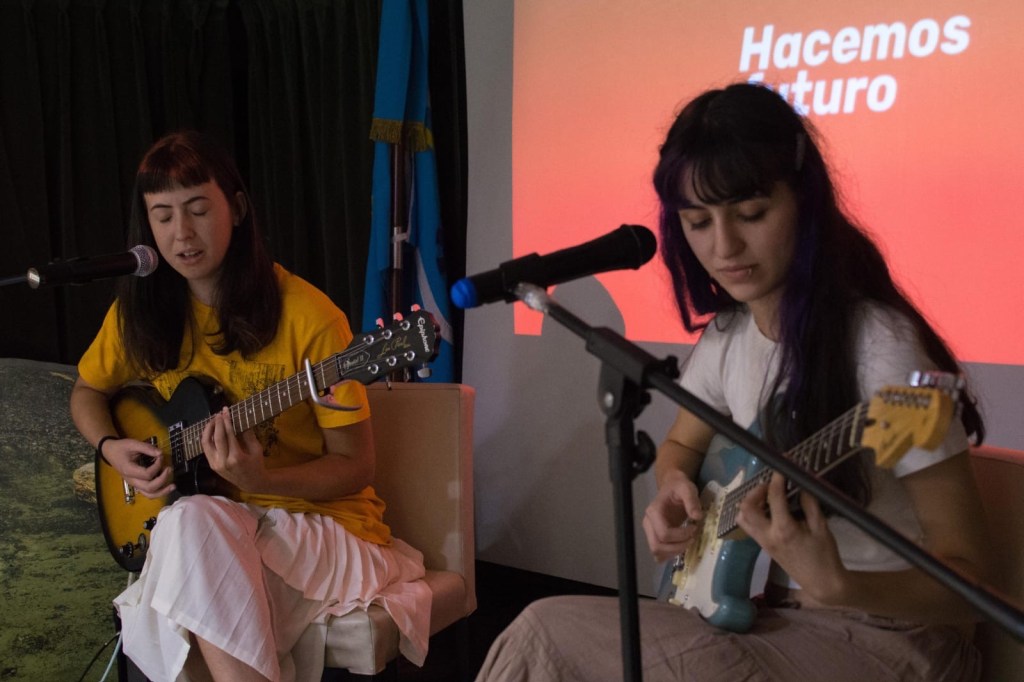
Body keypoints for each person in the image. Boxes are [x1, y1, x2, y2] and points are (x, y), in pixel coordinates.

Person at [475, 82, 990, 681]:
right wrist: (671, 488)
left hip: (885, 639)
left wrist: (843, 583)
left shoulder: (881, 346)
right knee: (544, 629)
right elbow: (682, 445)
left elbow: (969, 580)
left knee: (566, 643)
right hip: (765, 620)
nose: (724, 247)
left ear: (804, 201)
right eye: (697, 222)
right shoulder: (728, 336)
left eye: (751, 214)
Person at [70, 130, 430, 682]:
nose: (181, 234)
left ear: (236, 209)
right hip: (215, 528)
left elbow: (357, 467)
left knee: (183, 547)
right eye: (162, 217)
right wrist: (111, 446)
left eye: (197, 210)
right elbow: (87, 392)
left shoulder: (310, 317)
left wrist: (264, 478)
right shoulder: (140, 315)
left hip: (321, 530)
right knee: (191, 531)